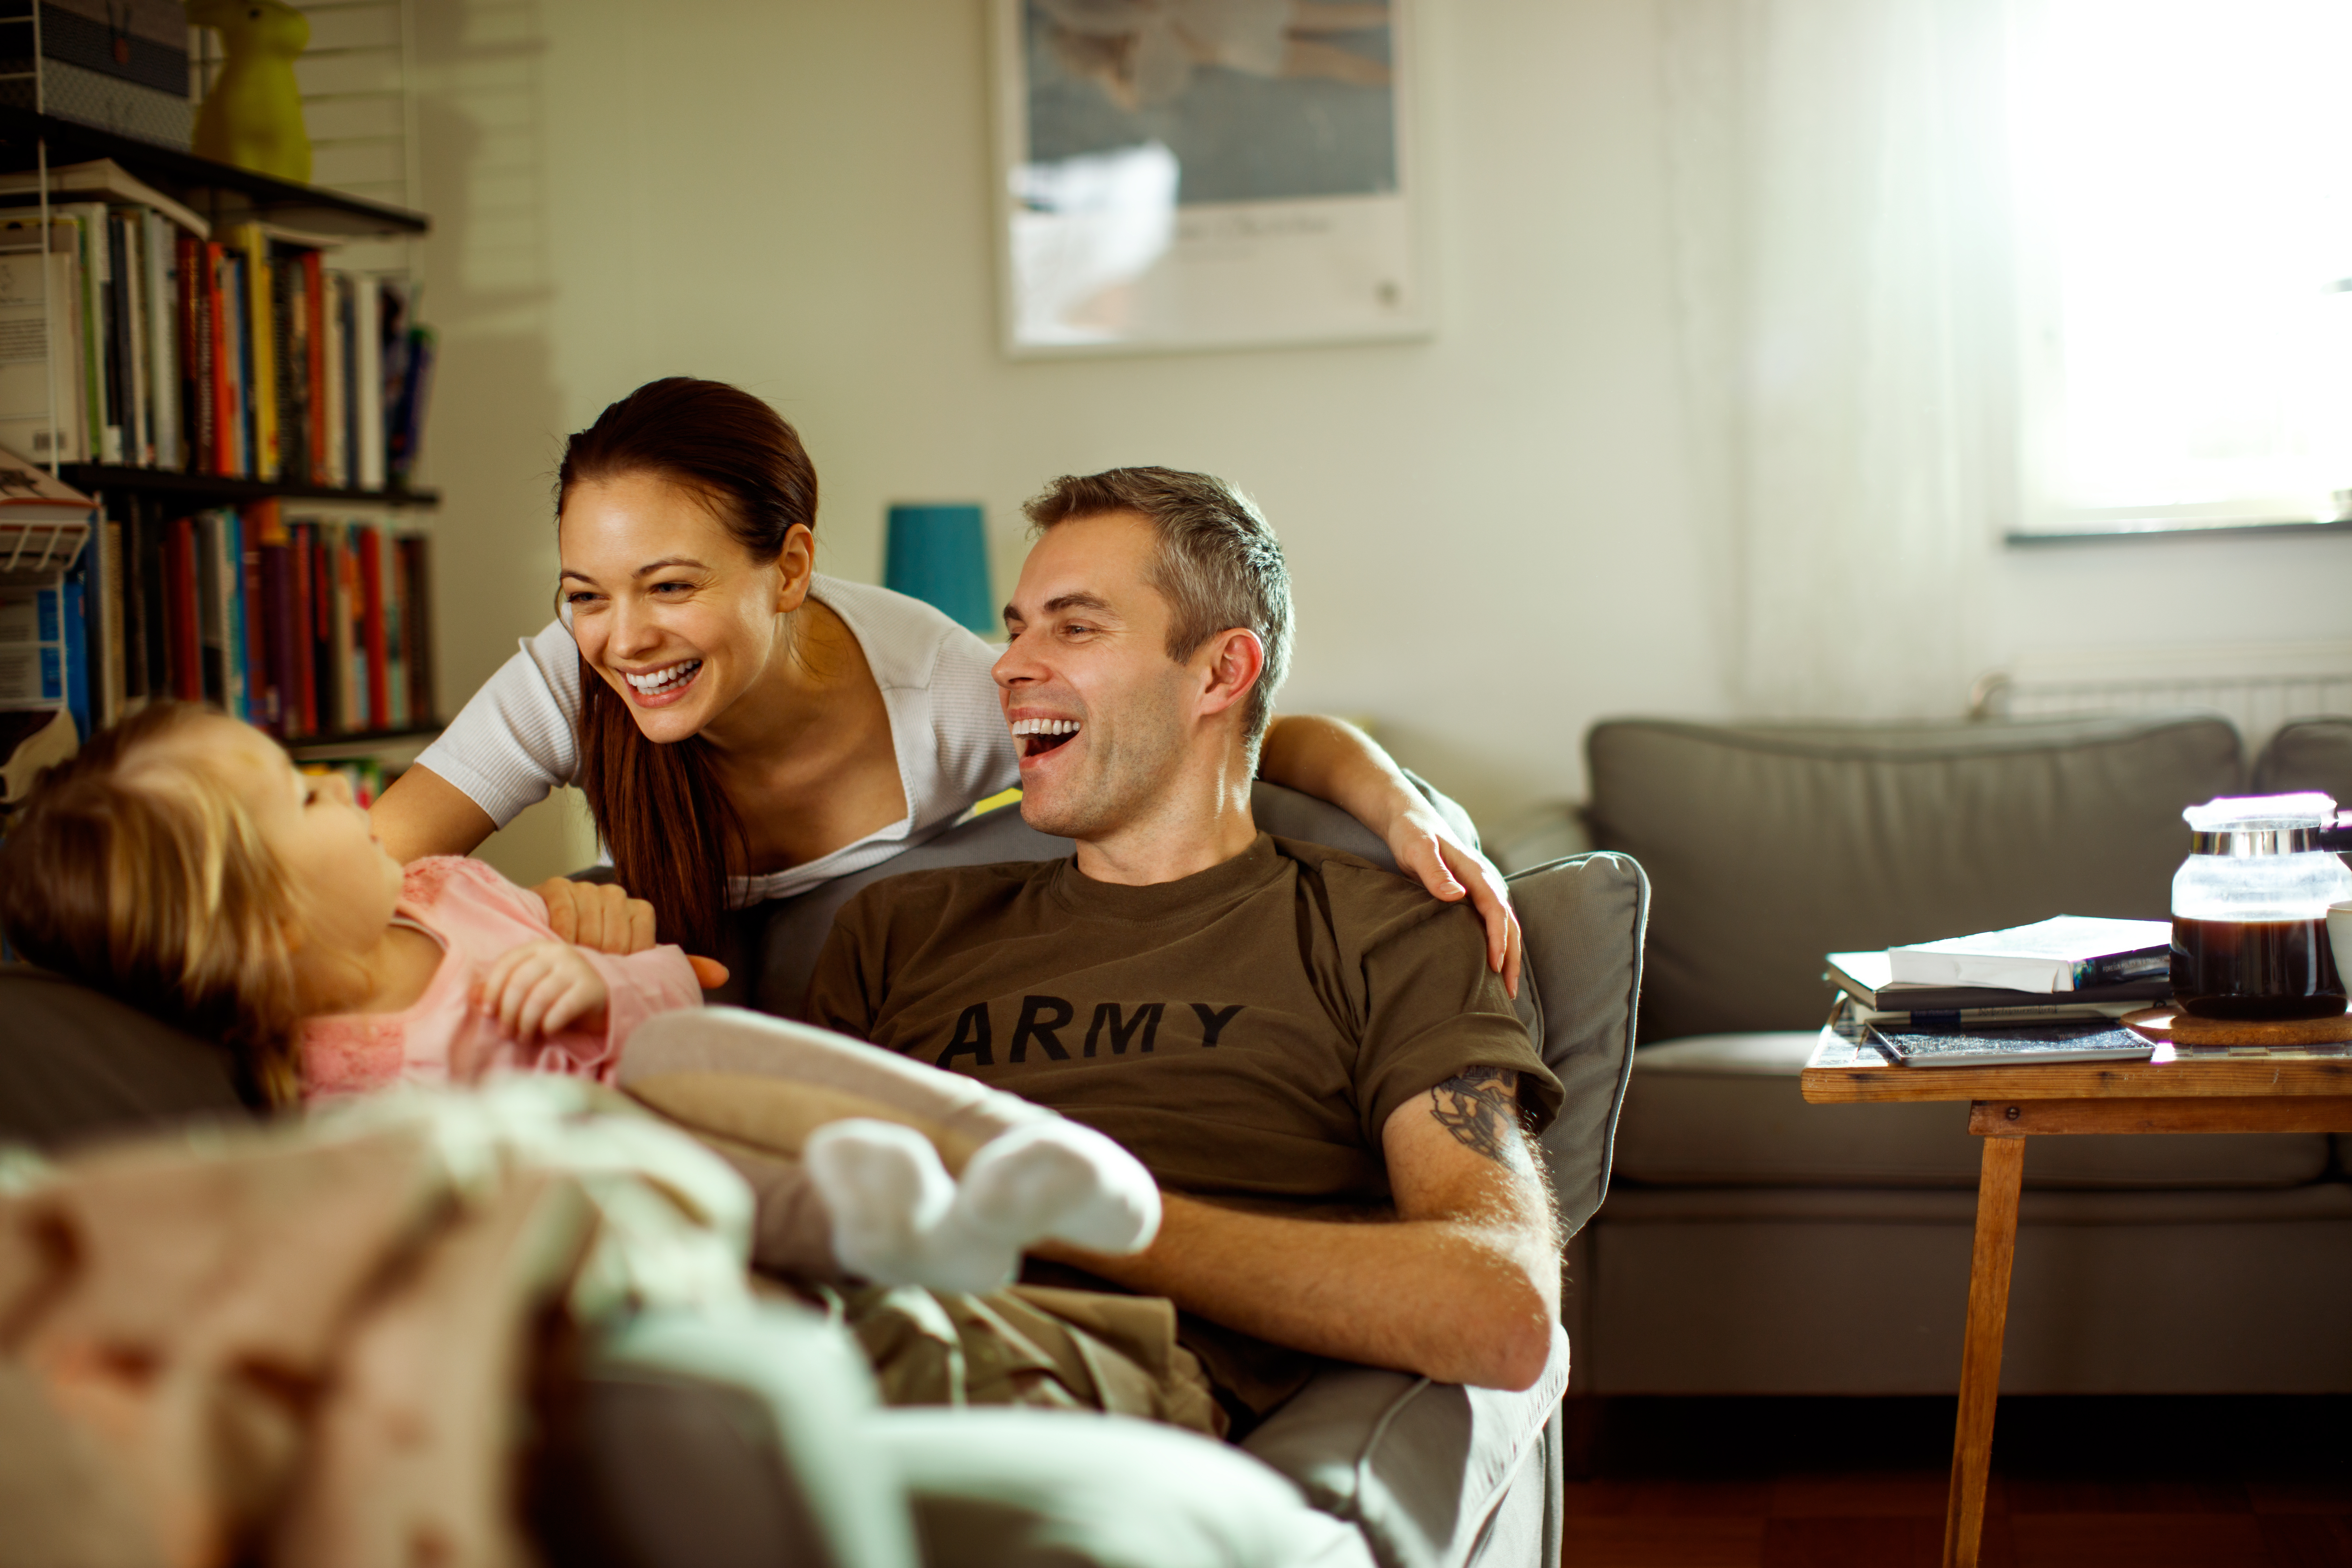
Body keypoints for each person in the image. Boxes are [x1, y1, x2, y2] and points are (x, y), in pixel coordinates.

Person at [799, 466, 1563, 1429]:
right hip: (810, 1330)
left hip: (1059, 1371)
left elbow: (1501, 1306)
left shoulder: (1380, 929)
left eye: (1074, 627)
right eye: (1019, 624)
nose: (1008, 663)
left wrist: (1085, 1218)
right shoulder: (901, 928)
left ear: (1220, 674)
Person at [368, 378, 1521, 983]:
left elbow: (1221, 730)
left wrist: (1401, 804)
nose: (622, 637)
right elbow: (366, 869)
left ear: (793, 568)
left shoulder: (946, 696)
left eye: (670, 586)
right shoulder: (566, 677)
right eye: (585, 592)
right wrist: (531, 921)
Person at [0, 703, 1160, 1295]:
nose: (335, 782)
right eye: (296, 800)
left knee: (683, 1058)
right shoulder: (335, 1087)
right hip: (645, 1206)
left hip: (692, 1075)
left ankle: (1020, 1147)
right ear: (264, 924)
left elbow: (678, 998)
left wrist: (601, 980)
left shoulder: (449, 889)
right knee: (613, 1127)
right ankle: (893, 1230)